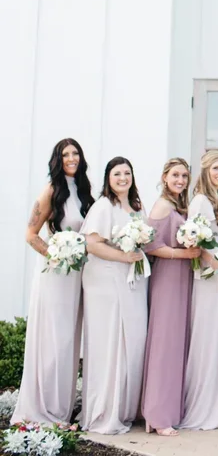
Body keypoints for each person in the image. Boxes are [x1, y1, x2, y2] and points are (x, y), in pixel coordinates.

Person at [13, 139, 94, 425]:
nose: (71, 158)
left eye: (75, 153)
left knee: (70, 341)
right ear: (57, 160)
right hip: (56, 275)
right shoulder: (51, 189)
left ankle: (60, 407)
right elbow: (30, 234)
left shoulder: (84, 189)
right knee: (54, 340)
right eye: (65, 154)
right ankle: (42, 409)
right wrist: (56, 255)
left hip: (77, 276)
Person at [79, 157, 148, 434]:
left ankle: (127, 406)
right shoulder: (103, 206)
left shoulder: (135, 208)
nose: (123, 178)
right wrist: (124, 256)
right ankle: (106, 410)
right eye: (117, 173)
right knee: (111, 343)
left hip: (133, 281)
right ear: (108, 177)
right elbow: (92, 244)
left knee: (132, 341)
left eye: (127, 173)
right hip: (107, 282)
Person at [140, 158, 201, 436]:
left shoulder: (179, 206)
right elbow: (152, 246)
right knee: (165, 344)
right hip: (167, 279)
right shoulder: (163, 205)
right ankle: (157, 415)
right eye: (175, 175)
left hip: (182, 278)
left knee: (176, 344)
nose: (180, 180)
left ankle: (165, 410)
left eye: (185, 176)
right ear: (165, 177)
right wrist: (183, 254)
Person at [180, 150, 218, 430]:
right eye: (216, 168)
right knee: (207, 336)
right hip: (209, 276)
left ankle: (216, 402)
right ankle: (202, 406)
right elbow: (198, 245)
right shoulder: (200, 201)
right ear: (205, 170)